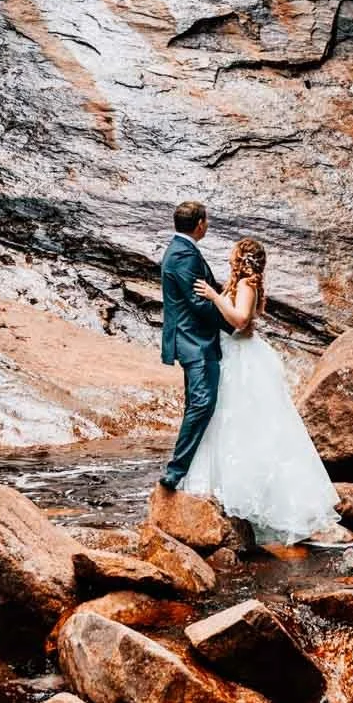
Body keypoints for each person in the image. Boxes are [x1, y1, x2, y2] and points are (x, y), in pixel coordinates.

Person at [178, 237, 339, 544]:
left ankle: (243, 497)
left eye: (232, 253)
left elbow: (239, 320)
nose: (228, 257)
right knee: (225, 422)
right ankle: (222, 493)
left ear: (241, 258)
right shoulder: (241, 283)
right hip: (233, 354)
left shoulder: (247, 286)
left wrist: (213, 295)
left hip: (241, 359)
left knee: (238, 423)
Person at [158, 200, 225, 491]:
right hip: (194, 341)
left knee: (197, 404)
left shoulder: (182, 250)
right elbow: (198, 302)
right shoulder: (184, 254)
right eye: (206, 221)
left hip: (192, 339)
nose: (207, 225)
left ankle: (192, 469)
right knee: (202, 403)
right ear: (200, 224)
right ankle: (176, 471)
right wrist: (233, 323)